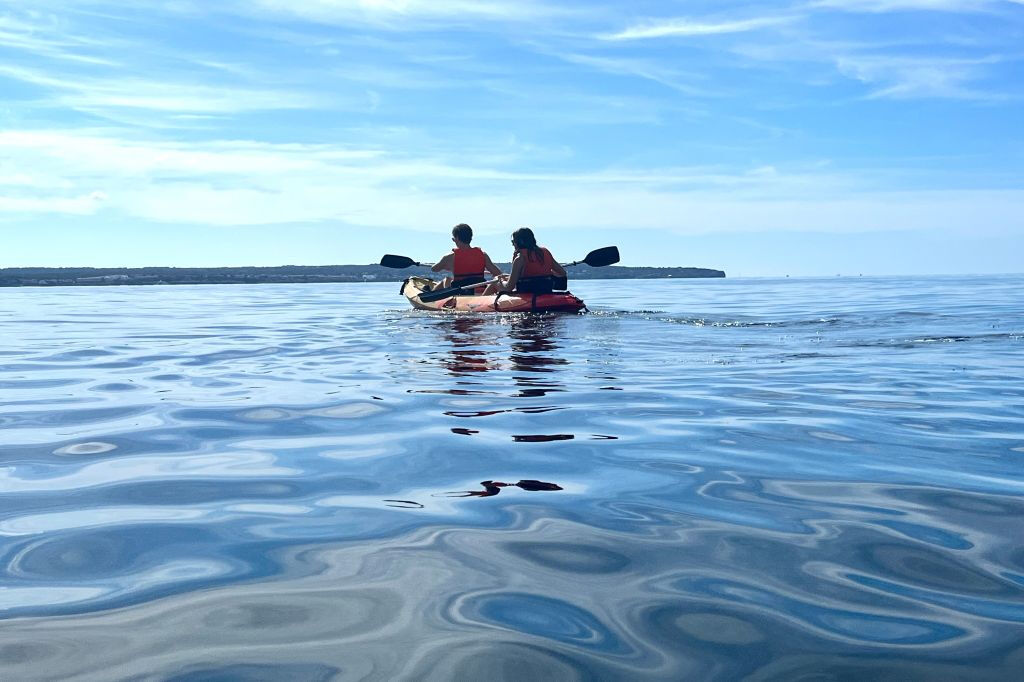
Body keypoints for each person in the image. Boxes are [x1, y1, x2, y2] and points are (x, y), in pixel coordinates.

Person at [483, 227, 567, 295]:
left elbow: (509, 287)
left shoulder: (519, 259)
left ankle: (477, 306)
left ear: (519, 242)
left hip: (527, 292)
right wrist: (545, 272)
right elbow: (562, 273)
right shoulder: (545, 253)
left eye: (513, 242)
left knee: (495, 280)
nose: (512, 244)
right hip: (545, 290)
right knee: (502, 278)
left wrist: (499, 280)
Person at [431, 223, 502, 291]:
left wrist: (446, 266)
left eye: (454, 238)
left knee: (447, 279)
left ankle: (430, 298)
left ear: (457, 238)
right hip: (480, 290)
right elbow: (498, 273)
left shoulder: (449, 257)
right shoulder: (483, 255)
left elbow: (434, 268)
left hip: (460, 292)